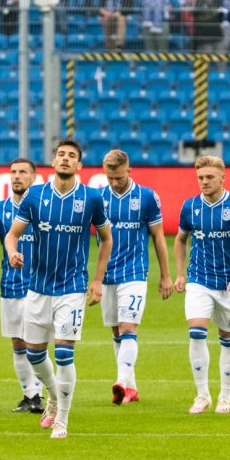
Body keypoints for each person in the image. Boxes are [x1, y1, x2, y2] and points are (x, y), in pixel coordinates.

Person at [4, 139, 112, 439]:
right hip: (38, 288)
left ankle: (62, 420)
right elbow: (12, 235)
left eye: (72, 156)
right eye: (61, 154)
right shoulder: (34, 196)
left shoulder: (91, 199)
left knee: (64, 354)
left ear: (79, 165)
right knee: (35, 355)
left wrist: (98, 280)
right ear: (53, 162)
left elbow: (106, 239)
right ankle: (52, 395)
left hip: (72, 288)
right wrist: (12, 251)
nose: (65, 159)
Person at [173, 155, 230, 414]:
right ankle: (202, 394)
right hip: (199, 280)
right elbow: (181, 239)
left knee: (228, 340)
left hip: (229, 284)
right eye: (200, 178)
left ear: (222, 178)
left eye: (209, 178)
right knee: (196, 332)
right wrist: (181, 274)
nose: (204, 182)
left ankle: (225, 397)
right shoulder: (190, 206)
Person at [100, 150, 171, 405]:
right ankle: (131, 388)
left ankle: (120, 380)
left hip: (134, 272)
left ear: (129, 171)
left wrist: (165, 275)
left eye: (118, 177)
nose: (113, 182)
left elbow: (158, 236)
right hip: (107, 274)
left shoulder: (147, 197)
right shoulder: (98, 198)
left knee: (129, 327)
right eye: (109, 178)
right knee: (117, 332)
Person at [0, 158, 44, 413]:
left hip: (39, 285)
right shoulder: (0, 209)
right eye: (13, 172)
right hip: (10, 286)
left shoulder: (42, 206)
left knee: (37, 342)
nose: (17, 176)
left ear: (33, 177)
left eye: (23, 172)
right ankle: (31, 396)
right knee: (18, 343)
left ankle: (43, 392)